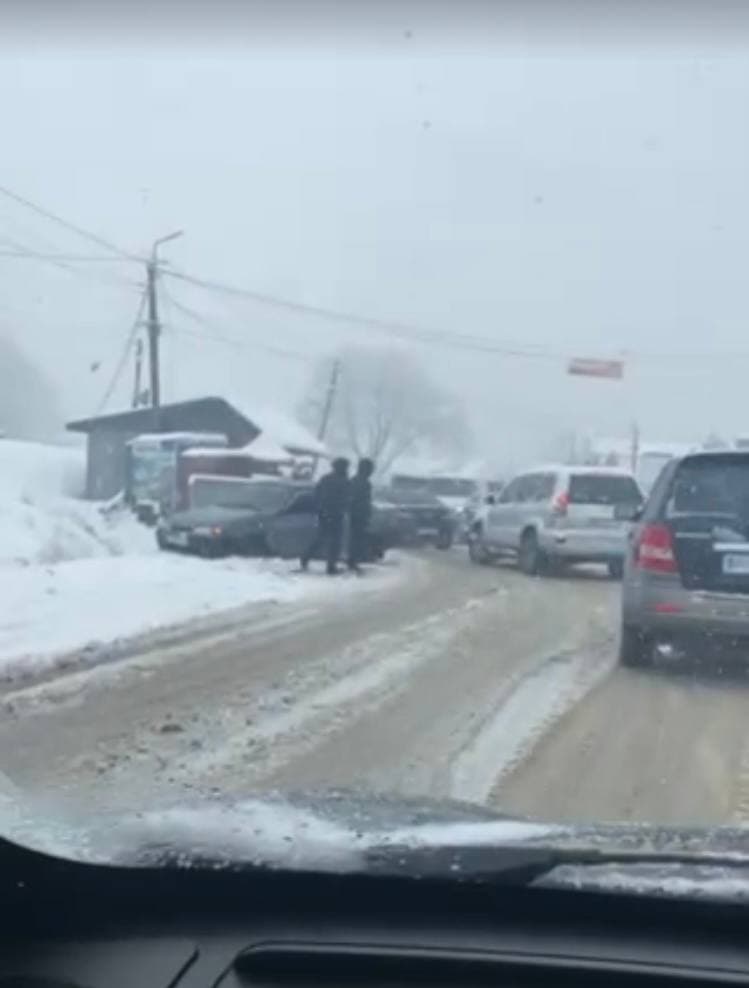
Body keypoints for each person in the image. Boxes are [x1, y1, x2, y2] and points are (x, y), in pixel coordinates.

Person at [300, 457, 350, 575]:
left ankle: (306, 557)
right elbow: (346, 498)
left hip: (326, 513)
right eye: (344, 466)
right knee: (334, 541)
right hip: (335, 513)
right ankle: (330, 566)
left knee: (322, 538)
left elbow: (317, 494)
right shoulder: (343, 480)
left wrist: (321, 509)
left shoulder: (326, 479)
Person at [348, 458, 375, 572]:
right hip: (357, 514)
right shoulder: (360, 482)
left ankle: (353, 560)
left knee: (357, 538)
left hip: (359, 514)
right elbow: (359, 500)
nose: (371, 472)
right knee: (356, 538)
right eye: (370, 469)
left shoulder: (357, 481)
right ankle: (352, 560)